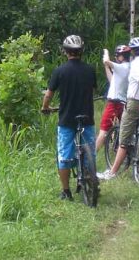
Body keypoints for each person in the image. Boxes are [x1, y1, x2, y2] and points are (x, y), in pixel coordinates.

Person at [98, 36, 139, 180]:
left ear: (132, 51)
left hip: (134, 103)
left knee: (124, 139)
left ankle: (112, 172)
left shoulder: (135, 64)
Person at [41, 35, 97, 201]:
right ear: (82, 51)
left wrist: (45, 108)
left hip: (66, 119)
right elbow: (92, 91)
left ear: (65, 51)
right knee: (90, 153)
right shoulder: (90, 70)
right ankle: (91, 179)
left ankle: (66, 191)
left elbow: (48, 95)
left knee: (64, 155)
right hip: (87, 117)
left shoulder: (60, 71)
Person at [95, 44, 131, 152]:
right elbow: (113, 81)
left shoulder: (122, 67)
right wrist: (106, 67)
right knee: (122, 130)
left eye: (117, 55)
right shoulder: (127, 68)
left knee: (104, 130)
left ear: (122, 56)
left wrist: (106, 52)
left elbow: (106, 61)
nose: (116, 58)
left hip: (114, 103)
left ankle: (91, 156)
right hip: (123, 102)